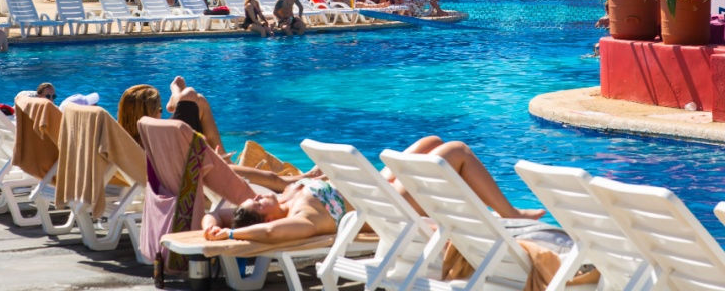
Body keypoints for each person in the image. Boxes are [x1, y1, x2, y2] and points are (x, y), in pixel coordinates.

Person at [202, 135, 544, 243]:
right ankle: (510, 213)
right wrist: (232, 238)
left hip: (375, 187)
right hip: (388, 207)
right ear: (267, 215)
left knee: (432, 142)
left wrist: (214, 227)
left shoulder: (282, 199)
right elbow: (272, 233)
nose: (259, 196)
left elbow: (217, 213)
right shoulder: (302, 219)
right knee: (456, 152)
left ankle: (488, 208)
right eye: (260, 202)